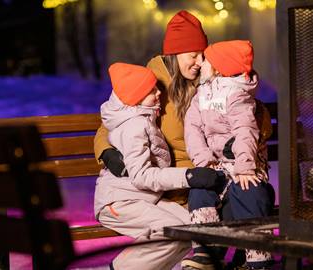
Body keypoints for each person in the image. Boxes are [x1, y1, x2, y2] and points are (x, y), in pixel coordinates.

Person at [94, 10, 273, 270]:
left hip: (205, 181)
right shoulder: (153, 86)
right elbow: (112, 124)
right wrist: (107, 152)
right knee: (194, 225)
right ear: (175, 54)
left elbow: (248, 113)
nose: (200, 62)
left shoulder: (211, 81)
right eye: (193, 55)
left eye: (204, 55)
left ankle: (216, 259)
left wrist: (245, 138)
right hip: (177, 185)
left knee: (224, 209)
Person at [95, 62, 223, 270]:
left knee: (190, 228)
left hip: (143, 197)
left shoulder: (143, 118)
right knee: (172, 231)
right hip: (118, 202)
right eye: (150, 90)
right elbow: (141, 176)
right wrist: (188, 176)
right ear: (136, 97)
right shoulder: (134, 126)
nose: (158, 93)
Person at [181, 40, 274, 270]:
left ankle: (257, 258)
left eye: (206, 60)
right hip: (217, 166)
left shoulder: (236, 95)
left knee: (249, 193)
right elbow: (192, 129)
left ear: (219, 68)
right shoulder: (201, 94)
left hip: (244, 167)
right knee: (200, 191)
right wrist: (204, 160)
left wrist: (244, 166)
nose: (201, 63)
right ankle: (205, 249)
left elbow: (245, 131)